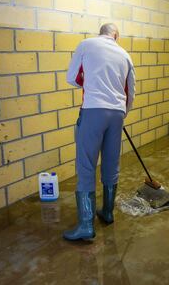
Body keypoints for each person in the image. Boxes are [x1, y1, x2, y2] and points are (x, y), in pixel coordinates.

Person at [63, 23, 135, 241]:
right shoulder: (125, 55)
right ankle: (108, 212)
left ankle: (86, 224)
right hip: (117, 114)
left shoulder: (86, 45)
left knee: (86, 165)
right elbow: (130, 91)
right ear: (116, 35)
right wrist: (122, 112)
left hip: (93, 111)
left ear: (101, 33)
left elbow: (72, 77)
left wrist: (92, 81)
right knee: (111, 162)